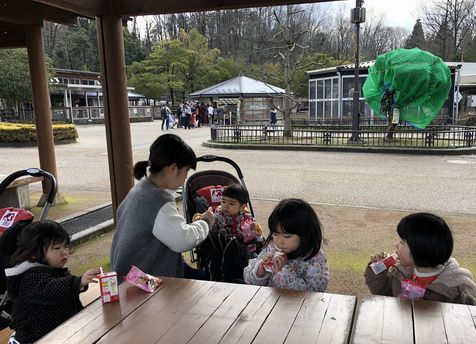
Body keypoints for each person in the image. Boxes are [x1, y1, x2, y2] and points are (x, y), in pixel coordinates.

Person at [110, 134, 215, 280]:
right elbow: (182, 240)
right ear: (173, 168)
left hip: (128, 277)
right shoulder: (157, 200)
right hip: (142, 285)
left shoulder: (140, 189)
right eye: (186, 171)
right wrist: (206, 222)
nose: (185, 178)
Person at [5, 220, 100, 344]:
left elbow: (66, 295)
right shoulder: (31, 276)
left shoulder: (54, 270)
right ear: (34, 253)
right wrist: (78, 282)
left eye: (66, 246)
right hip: (33, 338)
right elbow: (51, 290)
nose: (64, 252)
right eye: (57, 248)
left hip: (55, 333)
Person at [365, 212, 476, 304]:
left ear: (419, 250)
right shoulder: (401, 273)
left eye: (401, 242)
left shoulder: (456, 291)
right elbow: (385, 293)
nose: (396, 245)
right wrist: (378, 271)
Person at [243, 198, 330, 292]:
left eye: (287, 236)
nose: (279, 241)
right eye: (275, 234)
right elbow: (249, 280)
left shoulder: (315, 258)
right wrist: (259, 272)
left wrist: (281, 272)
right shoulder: (272, 249)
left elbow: (316, 291)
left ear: (305, 234)